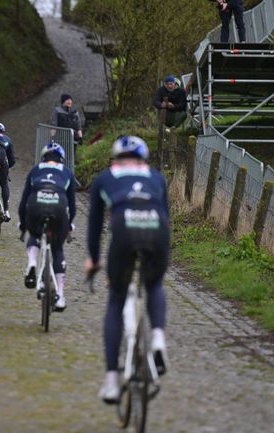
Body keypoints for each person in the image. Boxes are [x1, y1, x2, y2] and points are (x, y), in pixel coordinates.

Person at [85, 135, 170, 404]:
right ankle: (157, 337)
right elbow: (166, 216)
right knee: (154, 285)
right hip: (157, 231)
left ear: (114, 158)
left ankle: (111, 380)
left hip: (124, 232)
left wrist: (94, 260)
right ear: (143, 159)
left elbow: (95, 226)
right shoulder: (156, 177)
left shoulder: (104, 178)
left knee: (116, 300)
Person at [18, 143, 76, 311]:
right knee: (57, 247)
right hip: (58, 206)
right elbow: (72, 205)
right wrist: (69, 223)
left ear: (43, 157)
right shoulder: (67, 173)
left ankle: (32, 263)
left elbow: (23, 202)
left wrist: (23, 225)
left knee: (35, 235)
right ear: (62, 159)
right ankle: (60, 296)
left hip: (36, 204)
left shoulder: (35, 170)